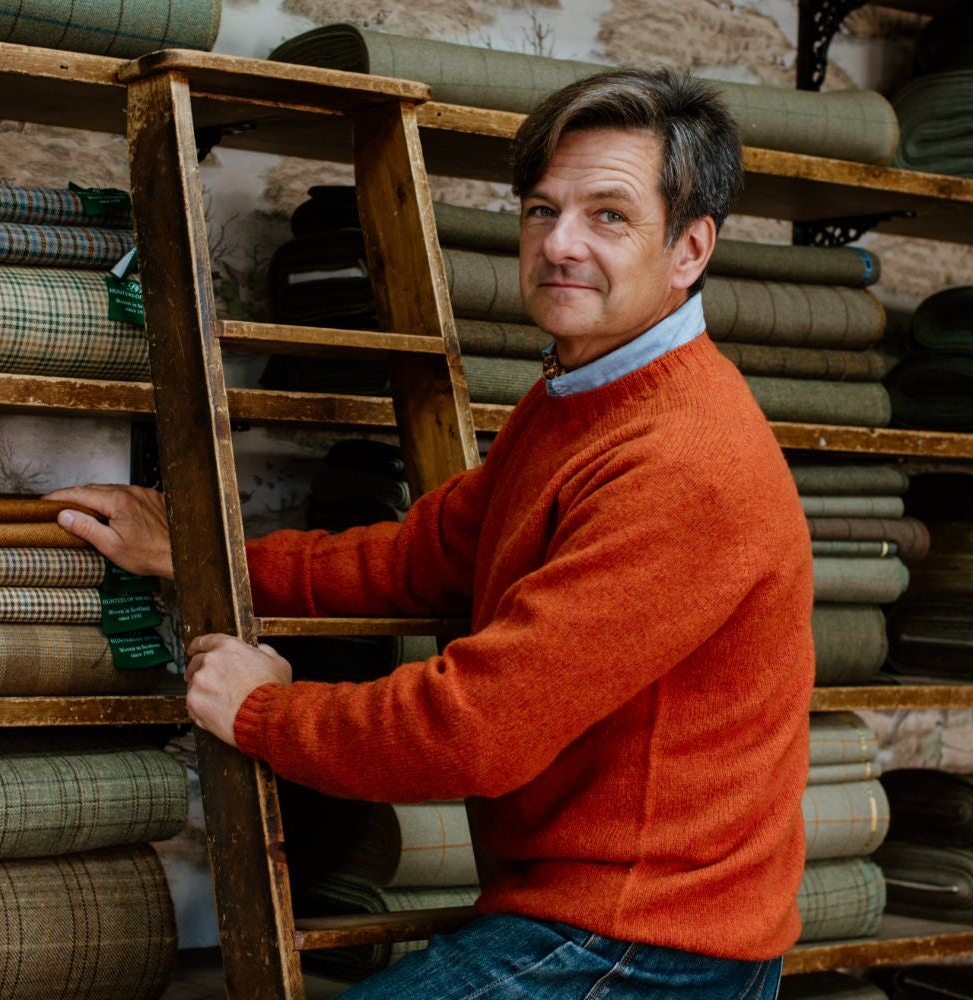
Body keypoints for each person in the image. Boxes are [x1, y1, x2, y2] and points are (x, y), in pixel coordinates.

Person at [48, 69, 814, 999]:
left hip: (646, 950)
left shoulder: (684, 459)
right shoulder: (576, 400)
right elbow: (416, 560)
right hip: (583, 920)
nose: (560, 244)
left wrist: (267, 713)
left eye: (608, 216)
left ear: (690, 248)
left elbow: (477, 730)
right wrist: (197, 558)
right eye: (542, 210)